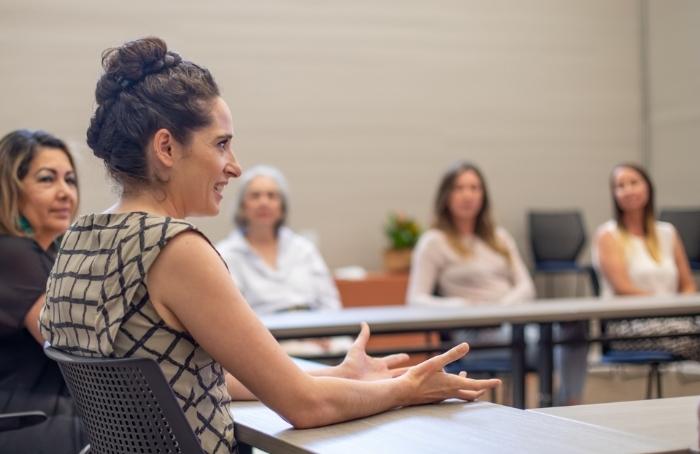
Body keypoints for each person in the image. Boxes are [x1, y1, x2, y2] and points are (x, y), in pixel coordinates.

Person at [39, 37, 499, 453]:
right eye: (221, 144)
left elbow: (201, 376)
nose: (234, 166)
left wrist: (339, 375)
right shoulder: (174, 249)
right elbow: (305, 407)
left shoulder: (79, 239)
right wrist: (410, 388)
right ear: (166, 148)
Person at [406, 161, 587, 405]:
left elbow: (526, 287)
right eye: (459, 188)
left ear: (483, 195)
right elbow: (415, 300)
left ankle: (567, 404)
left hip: (513, 324)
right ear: (446, 196)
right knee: (548, 343)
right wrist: (463, 306)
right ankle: (551, 407)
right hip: (476, 332)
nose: (467, 195)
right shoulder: (434, 242)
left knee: (574, 331)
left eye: (474, 188)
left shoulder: (498, 238)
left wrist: (502, 308)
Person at [0, 129, 86, 453]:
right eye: (47, 180)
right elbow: (76, 348)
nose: (65, 193)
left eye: (70, 180)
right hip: (22, 417)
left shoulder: (46, 254)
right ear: (11, 188)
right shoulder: (13, 254)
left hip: (50, 412)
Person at [216, 165, 350, 354]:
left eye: (272, 196)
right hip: (265, 342)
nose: (264, 202)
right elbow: (235, 318)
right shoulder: (226, 254)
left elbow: (329, 302)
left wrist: (325, 332)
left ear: (282, 206)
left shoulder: (303, 249)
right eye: (255, 196)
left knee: (350, 351)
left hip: (319, 333)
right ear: (243, 206)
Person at [592, 163, 699, 359]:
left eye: (634, 182)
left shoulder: (668, 232)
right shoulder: (607, 235)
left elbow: (688, 285)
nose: (628, 190)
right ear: (614, 194)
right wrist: (667, 304)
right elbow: (622, 288)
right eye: (620, 186)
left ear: (648, 187)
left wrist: (679, 307)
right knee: (690, 336)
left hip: (674, 317)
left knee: (688, 331)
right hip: (628, 323)